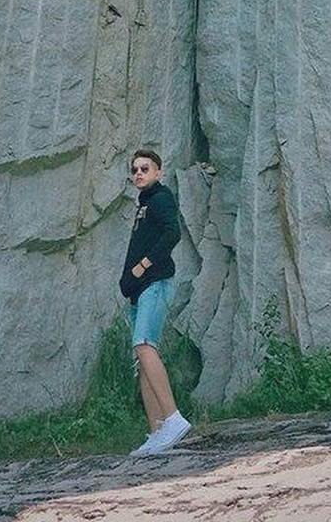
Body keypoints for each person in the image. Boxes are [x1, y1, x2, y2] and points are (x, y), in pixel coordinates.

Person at [119, 148, 192, 456]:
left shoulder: (161, 198)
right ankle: (158, 432)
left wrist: (144, 265)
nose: (139, 173)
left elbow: (172, 234)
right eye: (135, 169)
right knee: (142, 355)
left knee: (145, 345)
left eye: (145, 168)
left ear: (159, 172)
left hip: (155, 284)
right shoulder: (144, 204)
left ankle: (173, 418)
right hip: (139, 291)